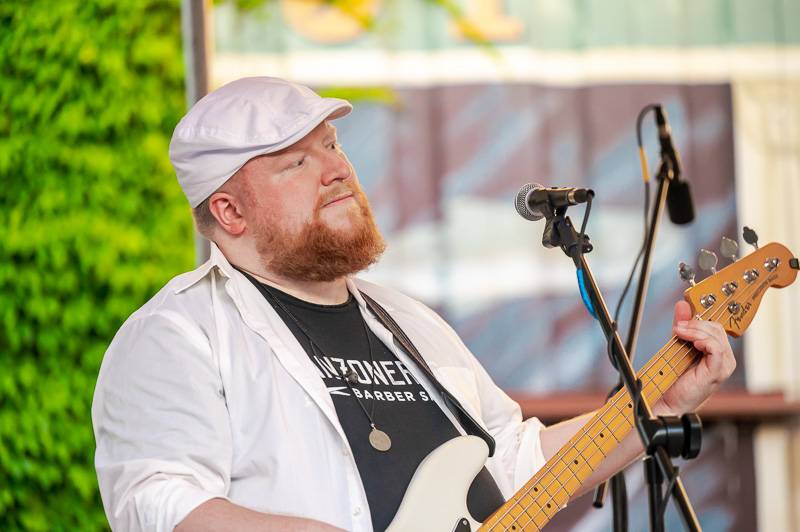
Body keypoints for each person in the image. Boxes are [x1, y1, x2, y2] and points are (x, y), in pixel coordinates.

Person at [91, 77, 736, 532]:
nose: (337, 169)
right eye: (293, 163)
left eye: (332, 147)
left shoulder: (410, 322)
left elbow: (512, 463)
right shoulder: (178, 335)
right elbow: (158, 505)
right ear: (229, 212)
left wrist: (657, 403)